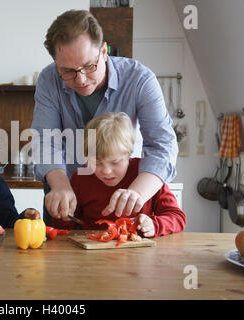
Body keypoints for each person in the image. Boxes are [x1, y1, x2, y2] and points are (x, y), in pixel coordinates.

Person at [31, 9, 178, 225]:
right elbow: (46, 140)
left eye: (89, 66)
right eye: (68, 71)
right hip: (69, 190)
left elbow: (162, 144)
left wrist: (136, 193)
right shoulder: (48, 79)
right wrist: (61, 185)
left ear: (103, 51)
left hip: (127, 187)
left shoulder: (139, 79)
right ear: (56, 63)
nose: (80, 79)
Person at [50, 112, 186, 238]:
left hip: (141, 257)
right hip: (92, 256)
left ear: (129, 153)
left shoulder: (148, 175)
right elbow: (66, 228)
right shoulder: (80, 180)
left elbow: (177, 217)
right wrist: (62, 216)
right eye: (97, 163)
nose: (106, 171)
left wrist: (154, 225)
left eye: (115, 162)